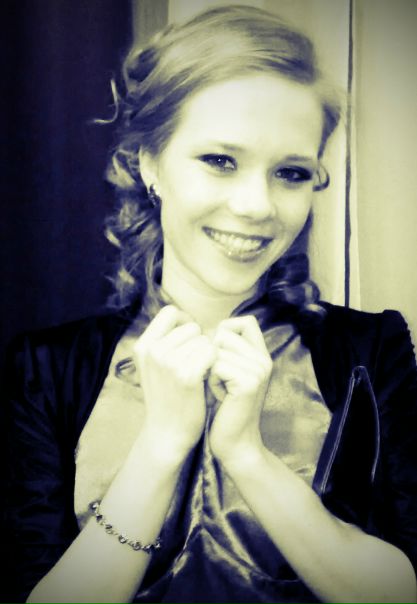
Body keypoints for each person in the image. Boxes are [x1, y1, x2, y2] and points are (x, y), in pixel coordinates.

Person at [2, 5, 417, 603]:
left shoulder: (369, 352)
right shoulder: (45, 368)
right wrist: (162, 444)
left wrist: (247, 456)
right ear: (150, 163)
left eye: (291, 173)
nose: (256, 206)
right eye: (220, 161)